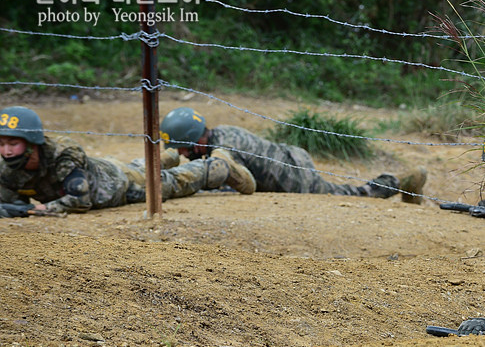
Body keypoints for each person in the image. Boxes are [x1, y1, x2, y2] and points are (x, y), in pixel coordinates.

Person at [0, 105, 256, 216]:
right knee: (138, 168)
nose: (7, 151)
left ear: (33, 143)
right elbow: (11, 205)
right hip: (111, 170)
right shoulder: (7, 171)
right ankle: (169, 156)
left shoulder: (63, 153)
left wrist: (44, 210)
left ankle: (217, 165)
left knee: (172, 182)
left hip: (121, 185)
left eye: (13, 143)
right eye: (2, 144)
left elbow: (80, 199)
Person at [159, 107, 427, 202]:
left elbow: (233, 180)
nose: (182, 156)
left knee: (353, 195)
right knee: (344, 191)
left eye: (182, 149)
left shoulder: (223, 151)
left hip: (293, 180)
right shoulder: (224, 132)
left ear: (195, 141)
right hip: (293, 158)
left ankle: (401, 183)